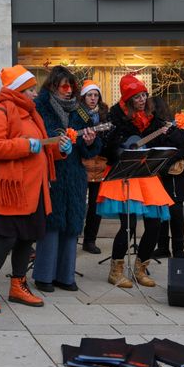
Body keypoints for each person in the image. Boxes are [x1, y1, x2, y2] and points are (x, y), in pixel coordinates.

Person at [0, 65, 67, 313]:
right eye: (30, 90)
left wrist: (60, 148)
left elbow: (42, 146)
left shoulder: (32, 115)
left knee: (27, 238)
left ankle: (18, 285)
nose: (35, 94)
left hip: (33, 190)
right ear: (18, 91)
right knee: (7, 239)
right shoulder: (0, 114)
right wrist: (26, 146)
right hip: (10, 191)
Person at [97, 74, 174, 289]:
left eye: (144, 95)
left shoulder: (152, 117)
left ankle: (140, 268)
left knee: (155, 223)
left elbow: (160, 143)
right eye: (137, 97)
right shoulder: (115, 117)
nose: (142, 99)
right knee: (128, 225)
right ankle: (116, 271)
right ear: (128, 99)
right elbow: (106, 147)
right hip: (124, 173)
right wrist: (120, 149)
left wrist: (166, 135)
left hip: (146, 173)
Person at [33, 67, 99, 292]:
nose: (69, 90)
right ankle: (44, 276)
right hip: (50, 172)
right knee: (51, 224)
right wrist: (56, 143)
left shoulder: (80, 111)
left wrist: (90, 142)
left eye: (71, 86)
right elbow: (38, 138)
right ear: (53, 86)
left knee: (72, 224)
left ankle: (65, 275)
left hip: (74, 175)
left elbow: (90, 150)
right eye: (64, 86)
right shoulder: (40, 107)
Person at [151, 97, 184, 259]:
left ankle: (178, 249)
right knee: (161, 211)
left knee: (176, 212)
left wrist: (169, 159)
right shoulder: (150, 128)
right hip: (159, 174)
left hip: (175, 176)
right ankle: (163, 247)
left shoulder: (173, 127)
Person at [78, 81, 109, 254]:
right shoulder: (77, 113)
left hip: (99, 163)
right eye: (89, 95)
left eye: (96, 95)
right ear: (83, 97)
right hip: (82, 164)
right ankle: (73, 238)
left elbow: (109, 137)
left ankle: (90, 240)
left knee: (96, 205)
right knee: (78, 204)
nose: (93, 98)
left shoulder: (104, 115)